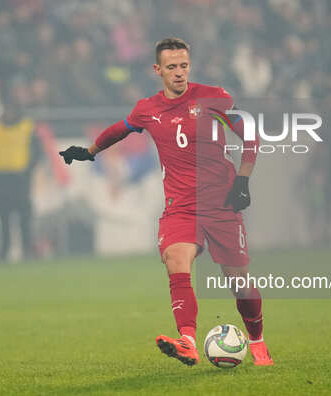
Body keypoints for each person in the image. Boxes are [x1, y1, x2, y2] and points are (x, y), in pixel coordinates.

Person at [59, 38, 273, 366]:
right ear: (157, 70)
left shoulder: (213, 98)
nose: (179, 73)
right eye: (171, 67)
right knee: (176, 259)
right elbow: (120, 129)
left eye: (183, 66)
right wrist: (89, 153)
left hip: (221, 203)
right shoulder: (147, 109)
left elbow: (249, 134)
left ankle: (258, 343)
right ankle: (186, 340)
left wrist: (243, 179)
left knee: (238, 282)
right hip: (181, 205)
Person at [0, 84, 42, 260]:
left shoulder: (27, 127)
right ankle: (4, 250)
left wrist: (29, 169)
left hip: (21, 178)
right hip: (1, 179)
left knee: (24, 218)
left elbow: (37, 151)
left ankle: (27, 249)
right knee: (4, 219)